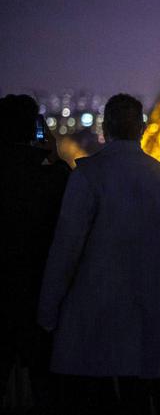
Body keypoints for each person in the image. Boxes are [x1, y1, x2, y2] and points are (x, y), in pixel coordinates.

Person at [37, 94, 160, 415]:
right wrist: (159, 307)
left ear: (105, 128)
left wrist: (47, 313)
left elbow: (66, 250)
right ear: (143, 127)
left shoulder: (87, 176)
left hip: (90, 319)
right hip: (143, 314)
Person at [0, 94, 71, 412]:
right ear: (35, 129)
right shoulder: (52, 178)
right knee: (47, 391)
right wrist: (54, 156)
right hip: (37, 296)